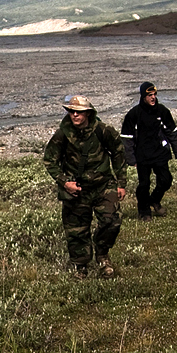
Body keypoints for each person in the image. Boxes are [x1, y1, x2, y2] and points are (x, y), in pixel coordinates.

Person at [42, 94, 128, 276]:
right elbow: (50, 160)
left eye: (79, 112)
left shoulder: (103, 131)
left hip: (103, 185)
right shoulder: (62, 134)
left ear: (88, 113)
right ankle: (81, 266)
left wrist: (121, 183)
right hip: (76, 189)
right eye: (72, 112)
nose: (74, 115)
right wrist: (65, 183)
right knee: (76, 230)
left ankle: (102, 254)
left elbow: (118, 153)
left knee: (111, 220)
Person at [120, 81, 177, 219]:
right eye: (149, 95)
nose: (153, 97)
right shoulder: (134, 114)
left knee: (166, 180)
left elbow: (172, 131)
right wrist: (131, 158)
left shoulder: (162, 111)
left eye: (154, 94)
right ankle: (144, 211)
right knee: (144, 184)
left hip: (160, 153)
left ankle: (154, 199)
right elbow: (126, 138)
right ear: (143, 96)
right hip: (142, 155)